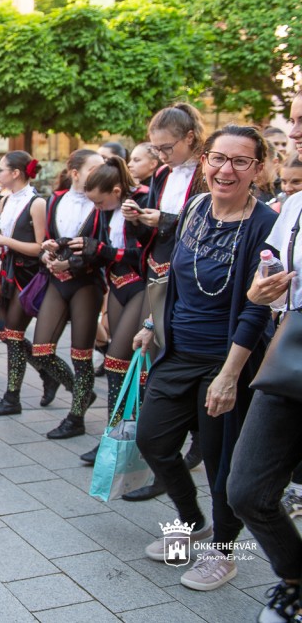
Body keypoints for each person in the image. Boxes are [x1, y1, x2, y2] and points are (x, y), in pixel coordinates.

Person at [134, 124, 277, 592]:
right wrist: (152, 324)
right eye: (218, 158)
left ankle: (223, 553)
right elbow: (175, 278)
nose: (226, 169)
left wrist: (230, 375)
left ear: (257, 169)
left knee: (220, 462)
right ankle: (191, 521)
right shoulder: (195, 208)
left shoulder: (265, 224)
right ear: (204, 161)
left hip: (227, 358)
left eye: (240, 161)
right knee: (152, 440)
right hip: (177, 352)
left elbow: (257, 308)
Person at [227, 95, 302, 623]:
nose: (294, 130)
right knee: (247, 490)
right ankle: (294, 576)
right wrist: (262, 290)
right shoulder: (293, 207)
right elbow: (270, 271)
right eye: (294, 119)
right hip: (292, 356)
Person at [121, 103, 207, 500]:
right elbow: (151, 235)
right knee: (154, 357)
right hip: (158, 272)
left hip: (189, 279)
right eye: (156, 148)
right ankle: (162, 452)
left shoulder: (207, 173)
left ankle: (185, 446)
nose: (160, 155)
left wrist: (165, 220)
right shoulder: (161, 174)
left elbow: (206, 226)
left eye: (166, 147)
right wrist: (138, 219)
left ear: (190, 137)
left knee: (174, 362)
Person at [0, 152, 66, 417]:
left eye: (1, 169)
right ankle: (48, 375)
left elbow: (40, 247)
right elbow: (7, 236)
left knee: (13, 333)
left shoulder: (36, 202)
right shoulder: (4, 199)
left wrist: (3, 240)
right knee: (9, 334)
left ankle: (14, 397)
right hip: (7, 272)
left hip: (27, 275)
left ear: (16, 173)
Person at [77, 157, 150, 463]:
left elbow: (143, 253)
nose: (97, 207)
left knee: (119, 360)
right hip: (118, 286)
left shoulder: (142, 201)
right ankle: (119, 436)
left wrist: (102, 250)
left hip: (142, 287)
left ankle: (126, 437)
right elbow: (98, 245)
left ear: (117, 191)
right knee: (120, 363)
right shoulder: (107, 210)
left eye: (100, 201)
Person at [36, 149, 106, 439]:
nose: (101, 172)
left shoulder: (102, 204)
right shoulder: (56, 199)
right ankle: (81, 392)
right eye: (94, 168)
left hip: (87, 282)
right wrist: (47, 254)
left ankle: (76, 417)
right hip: (57, 280)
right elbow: (47, 240)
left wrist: (72, 264)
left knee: (81, 354)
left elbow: (104, 247)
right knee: (41, 350)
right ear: (76, 173)